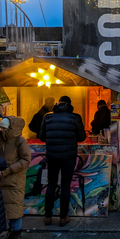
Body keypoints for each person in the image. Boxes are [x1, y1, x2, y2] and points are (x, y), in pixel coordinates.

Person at [39, 96, 86, 227]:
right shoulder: (75, 118)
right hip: (68, 156)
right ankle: (63, 217)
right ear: (69, 105)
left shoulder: (47, 117)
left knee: (51, 184)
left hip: (52, 156)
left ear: (57, 104)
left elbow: (42, 137)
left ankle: (47, 216)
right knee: (65, 185)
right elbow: (82, 137)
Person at [0, 116, 32, 239]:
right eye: (1, 128)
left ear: (11, 128)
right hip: (5, 179)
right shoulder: (4, 141)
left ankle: (15, 237)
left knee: (14, 208)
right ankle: (12, 234)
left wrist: (7, 170)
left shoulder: (19, 141)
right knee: (10, 208)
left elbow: (25, 161)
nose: (2, 130)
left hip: (14, 180)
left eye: (4, 128)